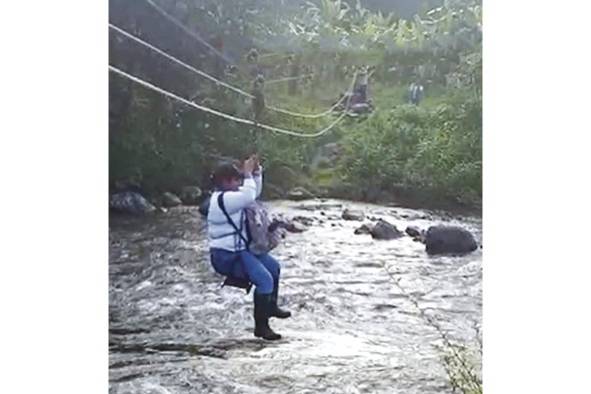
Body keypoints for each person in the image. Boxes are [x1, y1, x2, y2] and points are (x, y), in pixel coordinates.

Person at [207, 156, 291, 341]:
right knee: (264, 281)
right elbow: (249, 195)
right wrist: (247, 172)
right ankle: (261, 327)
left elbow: (253, 191)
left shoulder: (231, 196)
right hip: (227, 256)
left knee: (274, 268)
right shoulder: (224, 199)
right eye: (236, 179)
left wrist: (256, 172)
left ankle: (270, 307)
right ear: (225, 181)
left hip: (241, 250)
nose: (240, 182)